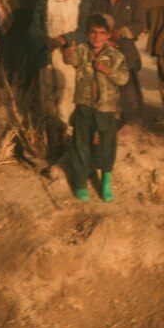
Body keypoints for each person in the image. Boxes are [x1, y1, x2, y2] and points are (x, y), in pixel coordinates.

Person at [63, 13, 129, 202]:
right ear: (87, 33)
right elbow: (72, 60)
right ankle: (81, 182)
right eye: (93, 32)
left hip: (106, 108)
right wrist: (68, 54)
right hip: (84, 105)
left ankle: (106, 182)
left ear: (108, 35)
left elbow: (123, 79)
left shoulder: (115, 56)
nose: (97, 37)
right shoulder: (83, 50)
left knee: (107, 144)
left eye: (102, 33)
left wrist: (107, 70)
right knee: (81, 143)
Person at [91, 0, 144, 130]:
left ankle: (128, 120)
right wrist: (106, 39)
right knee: (101, 79)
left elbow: (139, 24)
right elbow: (93, 20)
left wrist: (122, 32)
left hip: (125, 46)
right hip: (103, 45)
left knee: (127, 80)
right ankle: (103, 115)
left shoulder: (132, 1)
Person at [40, 0, 82, 127]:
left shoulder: (78, 4)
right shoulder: (46, 3)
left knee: (67, 91)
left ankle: (66, 127)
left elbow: (83, 30)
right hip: (48, 53)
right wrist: (45, 41)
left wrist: (66, 39)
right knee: (47, 91)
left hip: (68, 54)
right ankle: (49, 126)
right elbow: (35, 27)